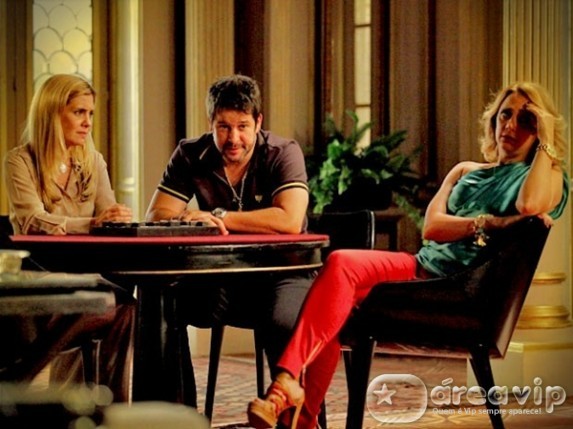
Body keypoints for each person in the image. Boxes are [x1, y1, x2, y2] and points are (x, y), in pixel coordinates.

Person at [247, 81, 570, 429]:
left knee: (339, 277)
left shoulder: (549, 176)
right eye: (505, 115)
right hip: (420, 267)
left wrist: (546, 140)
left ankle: (287, 396)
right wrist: (489, 222)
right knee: (337, 279)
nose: (510, 126)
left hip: (457, 290)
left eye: (525, 120)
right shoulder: (466, 170)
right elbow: (432, 227)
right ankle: (295, 406)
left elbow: (529, 205)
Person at [145, 74, 314, 380]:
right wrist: (186, 219)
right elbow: (156, 216)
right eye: (223, 127)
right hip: (220, 274)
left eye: (242, 126)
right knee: (161, 302)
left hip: (284, 272)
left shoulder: (283, 152)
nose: (233, 138)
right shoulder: (190, 153)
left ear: (258, 122)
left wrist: (218, 217)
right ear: (210, 123)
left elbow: (289, 221)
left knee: (282, 322)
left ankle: (289, 407)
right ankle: (174, 408)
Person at [3, 74, 134, 402]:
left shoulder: (93, 161)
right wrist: (92, 223)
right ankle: (23, 378)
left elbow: (106, 218)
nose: (88, 122)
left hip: (84, 267)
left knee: (127, 308)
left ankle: (108, 409)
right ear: (51, 113)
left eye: (90, 113)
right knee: (101, 299)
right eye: (79, 112)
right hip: (36, 270)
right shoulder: (19, 161)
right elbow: (33, 221)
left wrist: (117, 218)